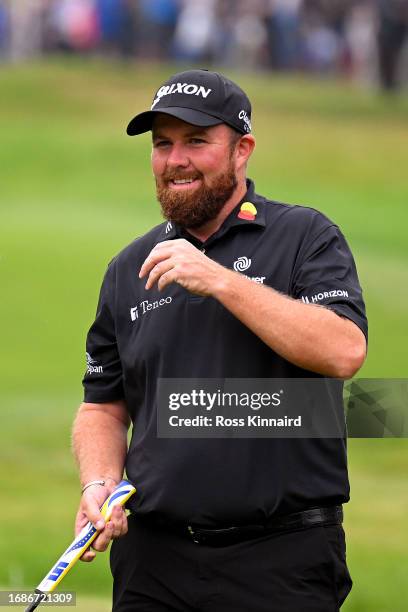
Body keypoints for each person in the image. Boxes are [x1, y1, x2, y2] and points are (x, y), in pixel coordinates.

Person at [72, 68, 368, 612]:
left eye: (197, 141)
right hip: (153, 564)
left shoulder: (305, 236)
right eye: (163, 144)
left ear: (242, 150)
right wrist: (97, 486)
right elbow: (104, 407)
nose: (175, 159)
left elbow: (344, 350)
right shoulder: (127, 269)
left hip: (280, 558)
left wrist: (221, 280)